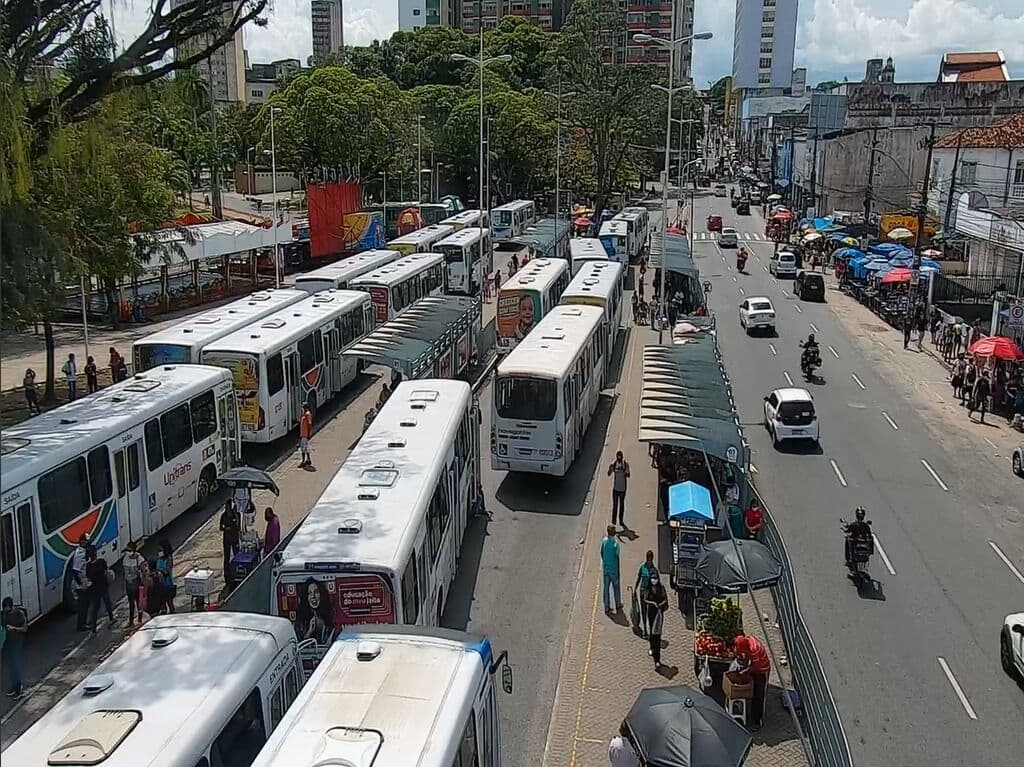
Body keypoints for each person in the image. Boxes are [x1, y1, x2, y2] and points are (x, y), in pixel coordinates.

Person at [733, 634, 771, 729]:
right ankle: (751, 712)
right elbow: (743, 656)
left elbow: (755, 666)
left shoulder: (754, 649)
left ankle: (758, 721)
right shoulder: (746, 640)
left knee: (759, 695)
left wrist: (745, 671)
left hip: (762, 670)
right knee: (752, 691)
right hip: (754, 667)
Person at [2, 597, 28, 699]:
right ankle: (14, 686)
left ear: (11, 606)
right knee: (11, 665)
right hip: (8, 641)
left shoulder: (19, 614)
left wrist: (14, 628)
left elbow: (25, 628)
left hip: (17, 641)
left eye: (7, 609)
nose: (6, 611)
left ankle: (19, 688)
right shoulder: (4, 614)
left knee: (16, 664)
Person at [85, 546, 115, 633]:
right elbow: (107, 571)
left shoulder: (88, 566)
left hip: (94, 589)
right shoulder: (101, 562)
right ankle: (111, 618)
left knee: (95, 608)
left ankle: (93, 627)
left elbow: (88, 578)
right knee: (107, 602)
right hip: (103, 586)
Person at [644, 571, 669, 667]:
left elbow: (665, 599)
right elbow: (645, 599)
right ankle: (652, 648)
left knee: (657, 635)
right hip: (651, 613)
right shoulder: (648, 588)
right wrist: (653, 603)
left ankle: (657, 659)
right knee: (652, 632)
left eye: (655, 578)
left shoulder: (661, 588)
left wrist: (661, 604)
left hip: (659, 614)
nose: (654, 580)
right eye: (652, 578)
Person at [122, 541, 147, 626]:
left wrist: (141, 571)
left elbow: (144, 570)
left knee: (139, 602)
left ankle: (139, 619)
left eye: (129, 550)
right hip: (129, 584)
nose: (128, 552)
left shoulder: (139, 558)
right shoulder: (126, 558)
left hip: (137, 583)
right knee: (131, 603)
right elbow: (126, 571)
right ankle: (131, 621)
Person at [600, 525, 622, 614]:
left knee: (606, 588)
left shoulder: (604, 541)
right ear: (613, 532)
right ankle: (618, 604)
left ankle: (606, 607)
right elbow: (617, 558)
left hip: (606, 569)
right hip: (613, 570)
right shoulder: (616, 544)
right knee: (616, 587)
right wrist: (617, 571)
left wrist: (605, 562)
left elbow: (601, 552)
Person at [634, 550, 657, 637]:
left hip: (651, 594)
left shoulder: (654, 571)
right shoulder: (642, 568)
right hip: (643, 592)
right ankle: (645, 629)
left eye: (650, 560)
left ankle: (651, 629)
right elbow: (639, 578)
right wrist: (635, 589)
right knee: (644, 611)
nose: (649, 561)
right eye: (648, 560)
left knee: (650, 613)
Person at [72, 534, 90, 631]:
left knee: (86, 604)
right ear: (82, 541)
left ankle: (84, 622)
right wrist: (80, 584)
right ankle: (81, 625)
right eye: (86, 541)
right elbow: (75, 571)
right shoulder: (79, 554)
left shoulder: (84, 551)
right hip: (81, 586)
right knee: (83, 606)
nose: (88, 542)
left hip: (84, 583)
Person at [607, 451, 630, 529]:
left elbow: (628, 475)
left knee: (621, 505)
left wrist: (623, 470)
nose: (619, 458)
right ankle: (613, 522)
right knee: (615, 506)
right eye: (618, 457)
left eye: (620, 457)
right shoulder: (614, 464)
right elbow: (609, 474)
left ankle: (621, 520)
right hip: (615, 489)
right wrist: (610, 468)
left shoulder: (625, 464)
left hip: (622, 489)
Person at [219, 499, 241, 580]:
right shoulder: (223, 516)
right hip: (227, 540)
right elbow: (221, 527)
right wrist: (225, 528)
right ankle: (227, 575)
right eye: (226, 507)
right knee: (227, 557)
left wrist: (235, 515)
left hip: (234, 539)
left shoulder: (236, 515)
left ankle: (236, 572)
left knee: (236, 555)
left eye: (228, 507)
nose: (226, 508)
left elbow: (238, 527)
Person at [155, 540, 176, 614]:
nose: (159, 552)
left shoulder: (168, 559)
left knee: (169, 602)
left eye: (160, 550)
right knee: (162, 604)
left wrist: (161, 571)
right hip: (159, 584)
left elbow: (167, 570)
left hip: (167, 584)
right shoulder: (158, 559)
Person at [299, 403, 314, 468]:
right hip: (303, 434)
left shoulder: (307, 414)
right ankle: (308, 459)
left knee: (303, 448)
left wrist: (309, 433)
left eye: (303, 407)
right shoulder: (305, 414)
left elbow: (309, 424)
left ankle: (303, 461)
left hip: (305, 435)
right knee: (306, 448)